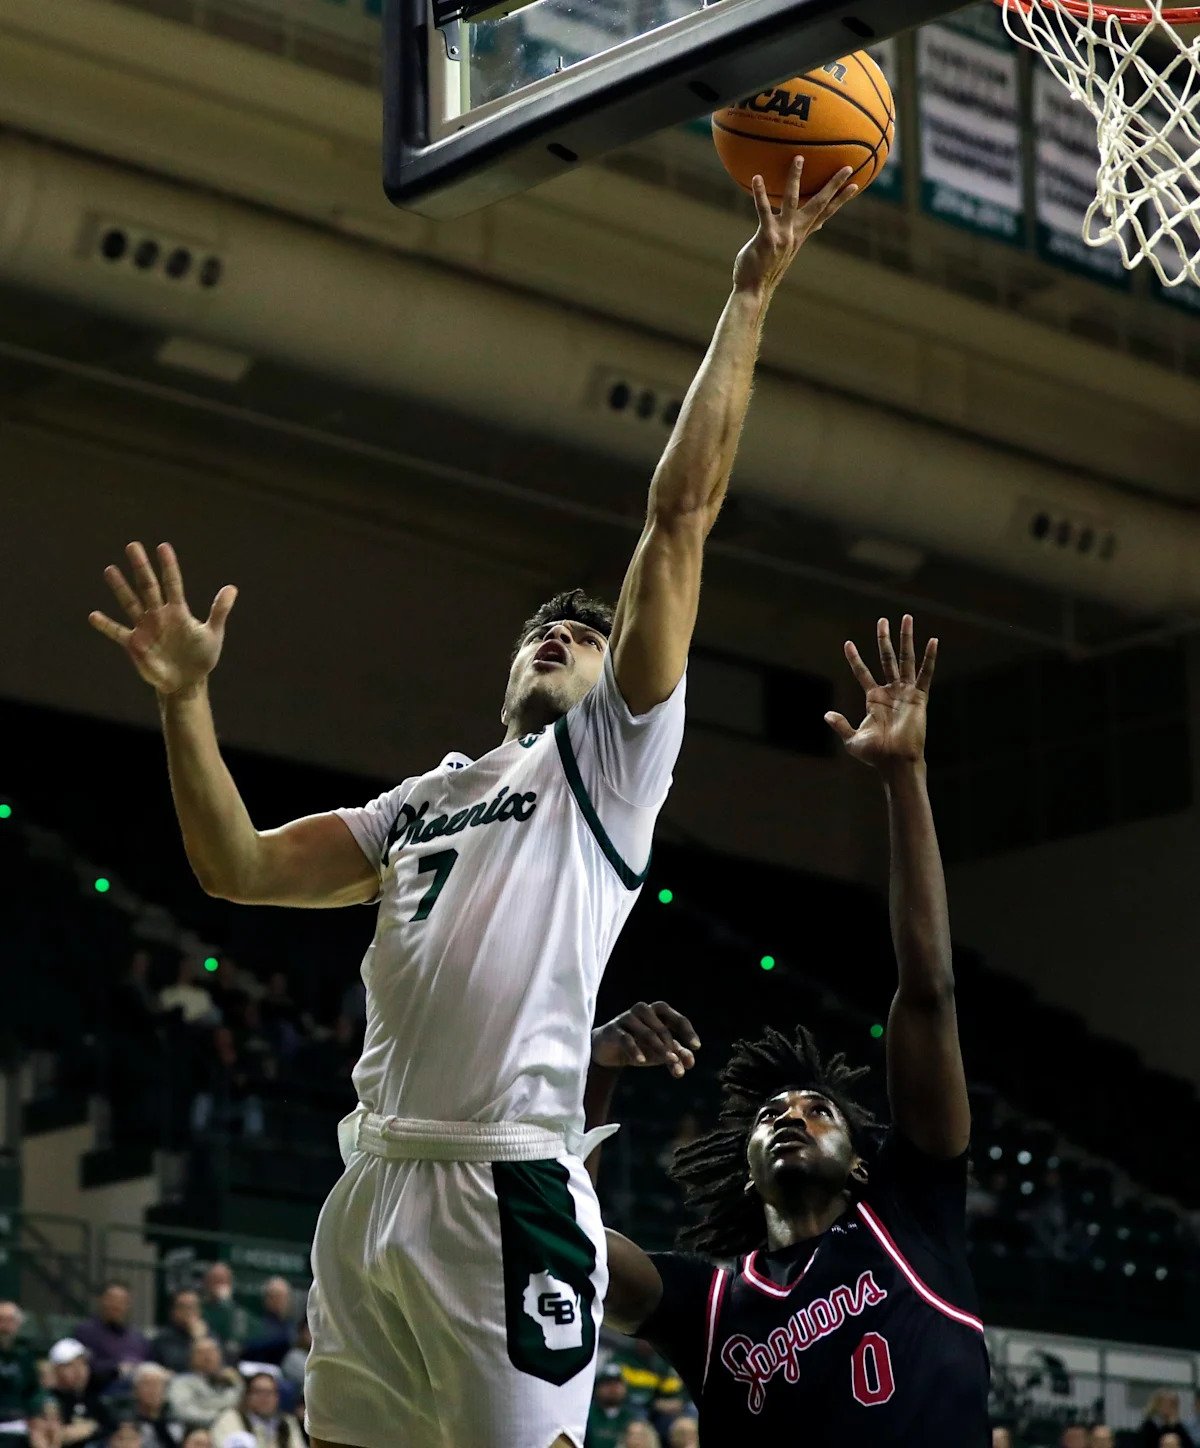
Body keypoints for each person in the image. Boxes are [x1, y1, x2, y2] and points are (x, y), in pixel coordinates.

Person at [87, 155, 859, 1448]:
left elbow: (679, 520)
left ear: (624, 682)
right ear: (508, 667)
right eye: (542, 629)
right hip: (371, 1184)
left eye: (586, 631)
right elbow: (236, 869)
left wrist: (755, 295)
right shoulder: (424, 801)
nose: (562, 632)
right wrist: (184, 703)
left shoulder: (609, 764)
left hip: (507, 1190)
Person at [587, 619, 990, 1444]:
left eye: (817, 1110)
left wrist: (905, 777)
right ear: (745, 1173)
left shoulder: (911, 1213)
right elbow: (566, 1243)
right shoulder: (708, 1304)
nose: (790, 1117)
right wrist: (593, 1070)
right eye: (774, 1115)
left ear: (861, 1158)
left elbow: (929, 993)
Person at [73, 1286, 149, 1392]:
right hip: (101, 1393)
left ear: (128, 1306)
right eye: (112, 1300)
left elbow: (149, 1365)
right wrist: (116, 1369)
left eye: (122, 1301)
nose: (116, 1305)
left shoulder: (138, 1337)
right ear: (102, 1301)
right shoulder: (86, 1332)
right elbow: (84, 1367)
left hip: (138, 1394)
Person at [46, 1340, 113, 1447]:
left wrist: (91, 1428)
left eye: (83, 1364)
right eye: (71, 1365)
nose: (79, 1371)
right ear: (56, 1369)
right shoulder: (48, 1399)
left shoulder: (91, 1397)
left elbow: (111, 1427)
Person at [210, 1374, 304, 1448]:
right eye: (258, 1392)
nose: (264, 1397)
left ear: (277, 1398)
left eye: (269, 1392)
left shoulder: (287, 1421)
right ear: (247, 1396)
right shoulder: (230, 1418)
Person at [166, 1340, 241, 1432]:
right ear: (192, 1358)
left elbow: (242, 1407)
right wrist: (221, 1417)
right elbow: (183, 1412)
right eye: (201, 1353)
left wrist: (238, 1383)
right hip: (196, 1432)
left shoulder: (231, 1381)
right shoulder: (181, 1383)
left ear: (220, 1356)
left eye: (212, 1352)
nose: (207, 1357)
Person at [0, 1301, 44, 1427]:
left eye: (10, 1321)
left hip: (19, 1421)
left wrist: (33, 1414)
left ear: (18, 1324)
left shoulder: (25, 1355)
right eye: (1, 1320)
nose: (4, 1327)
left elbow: (33, 1390)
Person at [151, 1290, 207, 1375]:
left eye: (193, 1307)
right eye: (184, 1307)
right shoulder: (162, 1339)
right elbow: (179, 1366)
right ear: (173, 1312)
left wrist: (201, 1338)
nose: (189, 1312)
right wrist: (197, 1340)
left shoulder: (208, 1335)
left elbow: (215, 1366)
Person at [240, 1282, 294, 1369]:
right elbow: (248, 1346)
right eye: (275, 1296)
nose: (279, 1301)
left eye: (283, 1297)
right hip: (258, 1367)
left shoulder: (290, 1324)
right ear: (266, 1299)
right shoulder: (256, 1321)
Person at [198, 1267, 247, 1359]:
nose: (218, 1285)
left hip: (226, 1360)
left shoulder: (236, 1312)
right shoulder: (198, 1307)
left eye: (222, 1281)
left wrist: (226, 1304)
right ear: (206, 1283)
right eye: (214, 1280)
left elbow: (235, 1345)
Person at [586, 1365, 639, 1448]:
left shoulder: (632, 1418)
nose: (613, 1388)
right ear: (597, 1387)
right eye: (608, 1383)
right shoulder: (587, 1414)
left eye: (617, 1383)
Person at [126, 1365, 174, 1448]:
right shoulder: (125, 1421)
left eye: (158, 1385)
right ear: (135, 1390)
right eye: (147, 1384)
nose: (153, 1390)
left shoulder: (175, 1420)